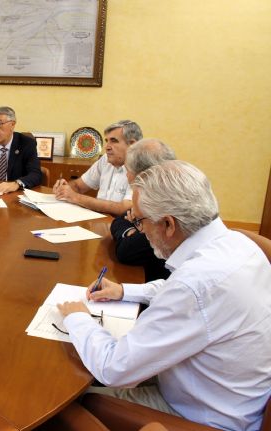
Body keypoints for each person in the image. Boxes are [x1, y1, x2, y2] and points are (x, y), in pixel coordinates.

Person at [57, 161, 271, 430]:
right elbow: (190, 291)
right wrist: (124, 290)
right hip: (237, 395)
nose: (140, 229)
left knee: (68, 400)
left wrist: (78, 318)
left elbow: (114, 368)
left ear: (168, 224)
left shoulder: (195, 286)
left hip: (201, 415)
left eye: (139, 221)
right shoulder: (238, 244)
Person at [110, 138, 176, 281]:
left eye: (127, 171)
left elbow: (126, 252)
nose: (126, 176)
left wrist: (135, 228)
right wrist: (134, 229)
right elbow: (120, 219)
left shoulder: (164, 203)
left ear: (143, 175)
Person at [53, 120, 142, 216]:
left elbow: (124, 208)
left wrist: (75, 197)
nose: (107, 147)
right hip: (98, 220)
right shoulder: (105, 159)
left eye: (114, 141)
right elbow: (78, 186)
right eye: (107, 141)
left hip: (122, 225)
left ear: (132, 144)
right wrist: (64, 188)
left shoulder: (142, 167)